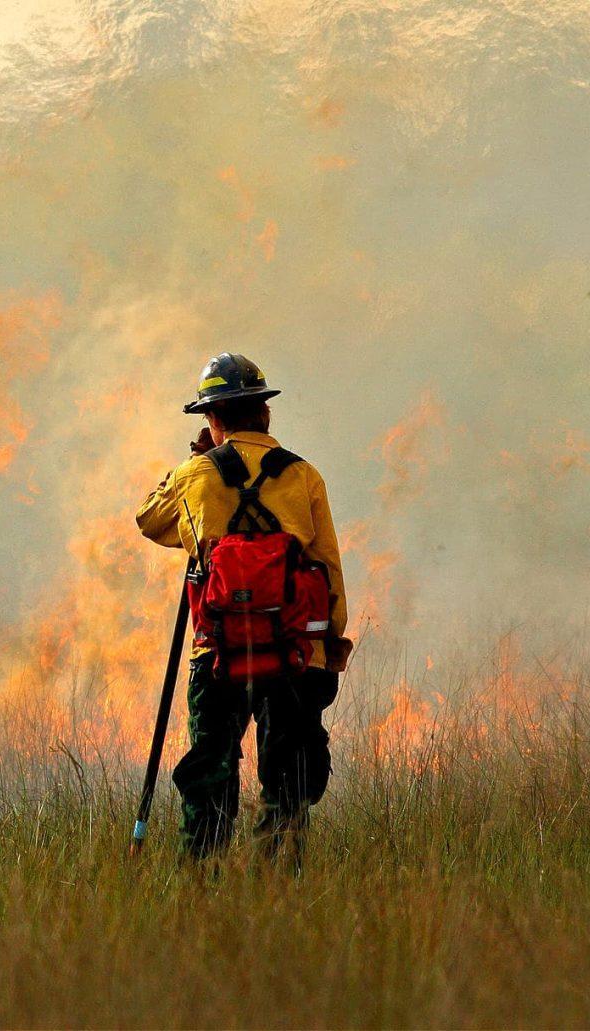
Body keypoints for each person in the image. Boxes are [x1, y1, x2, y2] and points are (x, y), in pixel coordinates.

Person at [134, 353, 352, 864]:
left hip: (218, 653)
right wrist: (331, 645)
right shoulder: (303, 476)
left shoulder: (196, 475)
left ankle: (202, 874)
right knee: (289, 772)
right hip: (295, 653)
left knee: (210, 767)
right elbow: (327, 567)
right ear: (264, 413)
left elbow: (149, 519)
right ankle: (274, 876)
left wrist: (199, 466)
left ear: (213, 419)